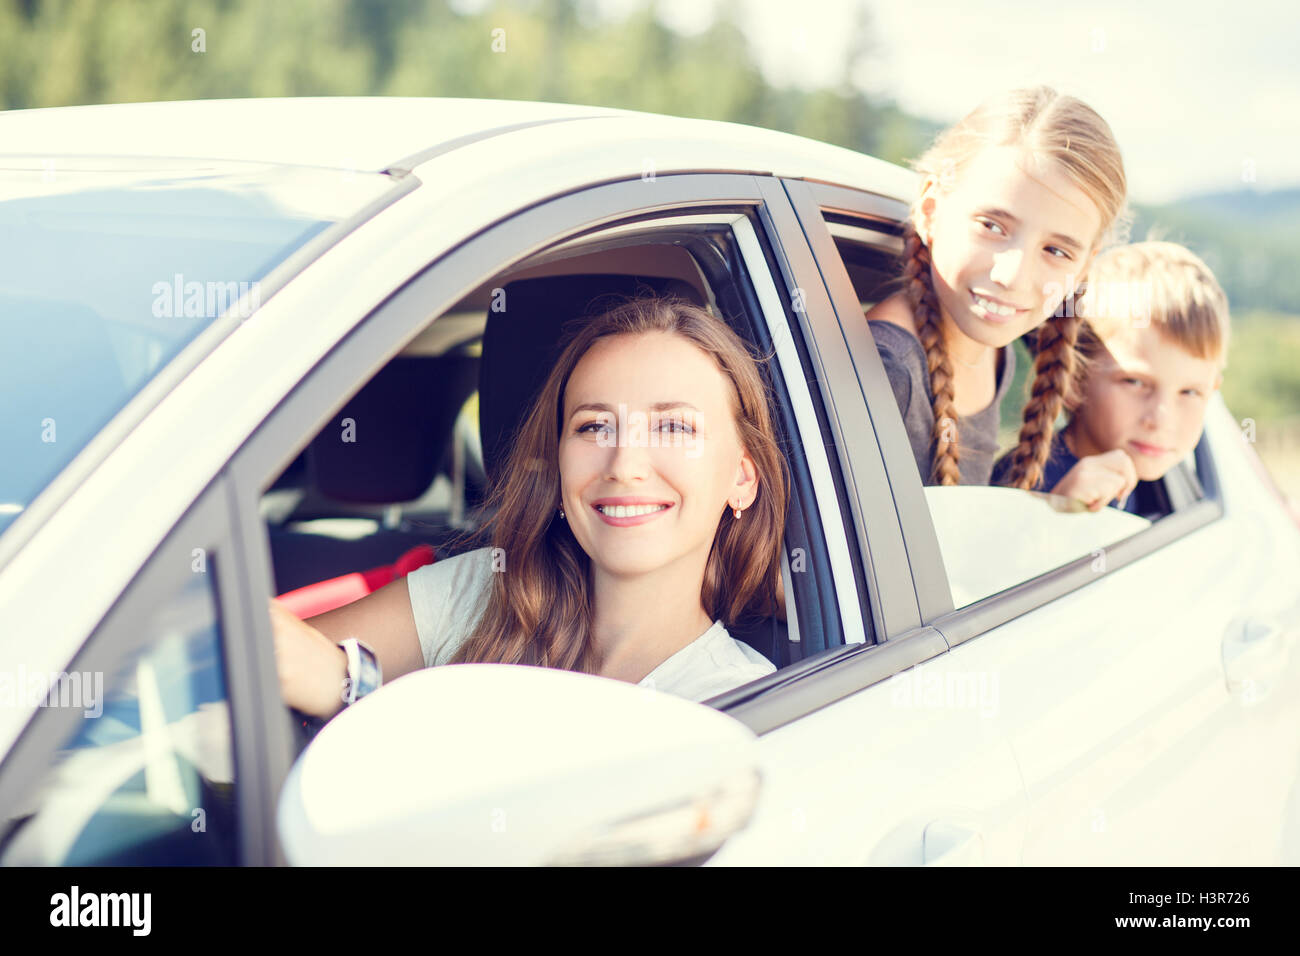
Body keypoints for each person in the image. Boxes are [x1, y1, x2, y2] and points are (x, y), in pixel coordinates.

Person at [270, 295, 790, 720]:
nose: (625, 464)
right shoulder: (482, 590)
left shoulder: (737, 704)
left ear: (741, 479)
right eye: (593, 426)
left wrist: (350, 688)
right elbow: (268, 665)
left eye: (674, 426)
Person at [865, 86, 1129, 489]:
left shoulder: (993, 351)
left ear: (1083, 268)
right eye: (991, 226)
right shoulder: (888, 370)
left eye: (1056, 250)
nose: (1012, 276)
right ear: (931, 210)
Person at [990, 241, 1230, 512]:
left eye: (1190, 392)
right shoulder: (1023, 483)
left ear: (1212, 390)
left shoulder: (1141, 475)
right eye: (1135, 382)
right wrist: (1059, 512)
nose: (1162, 419)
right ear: (1073, 382)